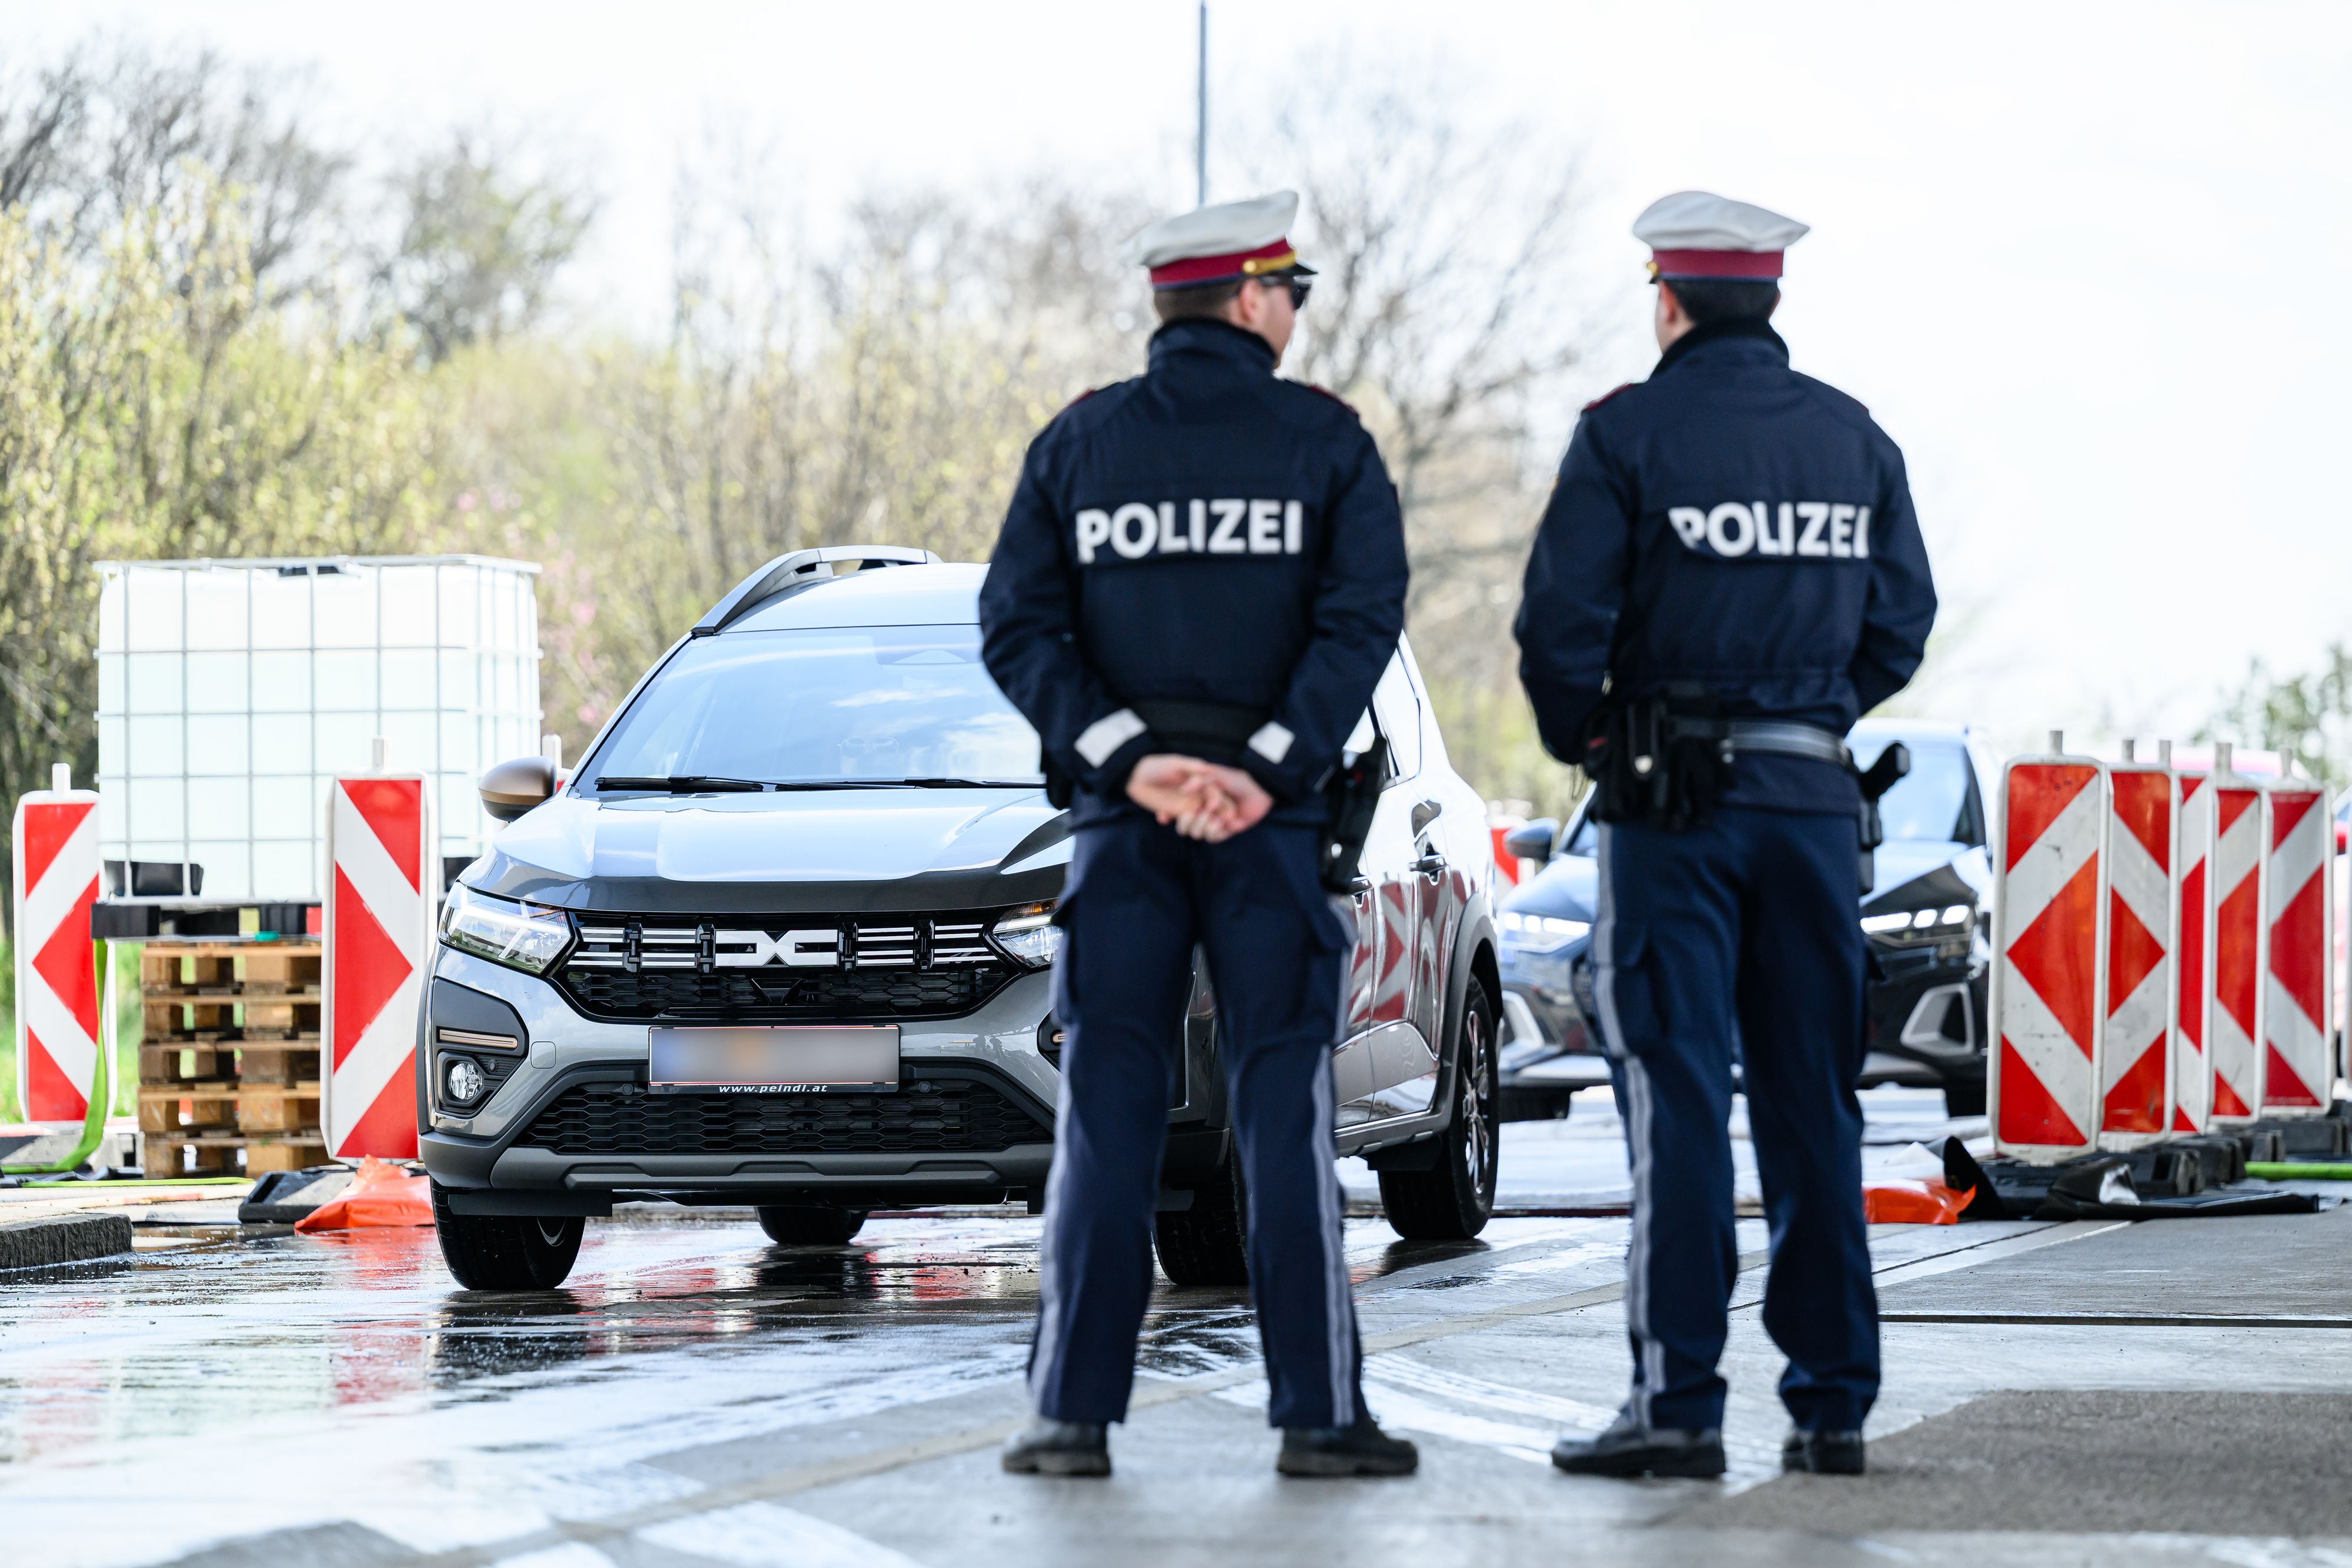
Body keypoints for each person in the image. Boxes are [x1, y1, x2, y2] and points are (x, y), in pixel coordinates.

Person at [979, 190, 1419, 1479]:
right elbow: (1363, 617)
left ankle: (1069, 1417)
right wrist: (1265, 764)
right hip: (1270, 834)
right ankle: (1317, 1417)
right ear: (1247, 297)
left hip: (1123, 830)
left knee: (1107, 1115)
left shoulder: (1081, 443)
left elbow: (1016, 625)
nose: (1296, 311)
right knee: (1282, 1113)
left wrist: (1133, 757)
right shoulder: (1322, 442)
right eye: (1292, 290)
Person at [1515, 191, 1937, 1480]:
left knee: (1680, 1100)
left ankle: (1678, 1407)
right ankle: (1832, 1408)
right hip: (1811, 810)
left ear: (1668, 301)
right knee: (1812, 1102)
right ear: (1770, 297)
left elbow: (1556, 632)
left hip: (1670, 815)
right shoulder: (1852, 439)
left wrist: (1600, 741)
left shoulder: (1625, 435)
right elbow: (1901, 624)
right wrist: (1809, 717)